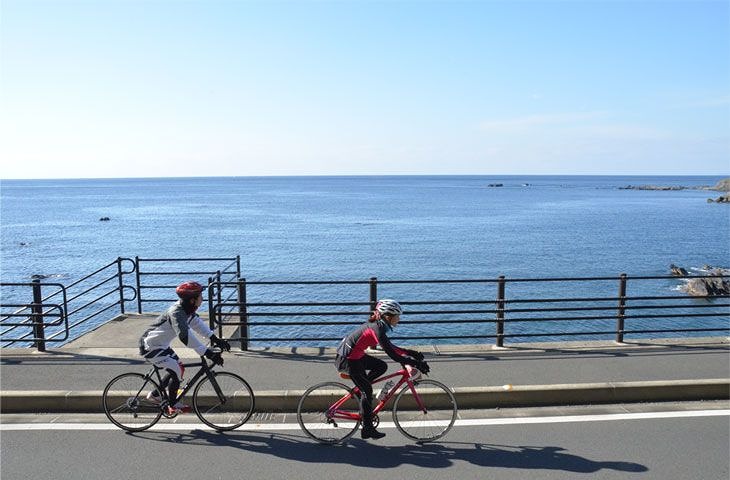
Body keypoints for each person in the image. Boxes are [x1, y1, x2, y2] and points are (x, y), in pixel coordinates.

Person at [335, 299, 429, 440]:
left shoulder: (379, 326)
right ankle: (367, 429)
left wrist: (411, 353)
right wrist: (414, 362)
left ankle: (361, 388)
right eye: (397, 316)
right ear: (387, 316)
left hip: (356, 356)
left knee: (381, 366)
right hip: (347, 360)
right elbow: (392, 354)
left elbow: (392, 348)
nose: (399, 319)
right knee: (367, 391)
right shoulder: (377, 329)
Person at [138, 281, 231, 414]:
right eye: (200, 296)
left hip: (160, 346)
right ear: (193, 300)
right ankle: (172, 404)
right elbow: (185, 336)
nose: (202, 299)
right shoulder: (176, 312)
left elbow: (197, 324)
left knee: (178, 368)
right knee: (176, 370)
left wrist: (215, 339)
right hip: (150, 346)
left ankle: (155, 395)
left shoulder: (187, 309)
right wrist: (207, 353)